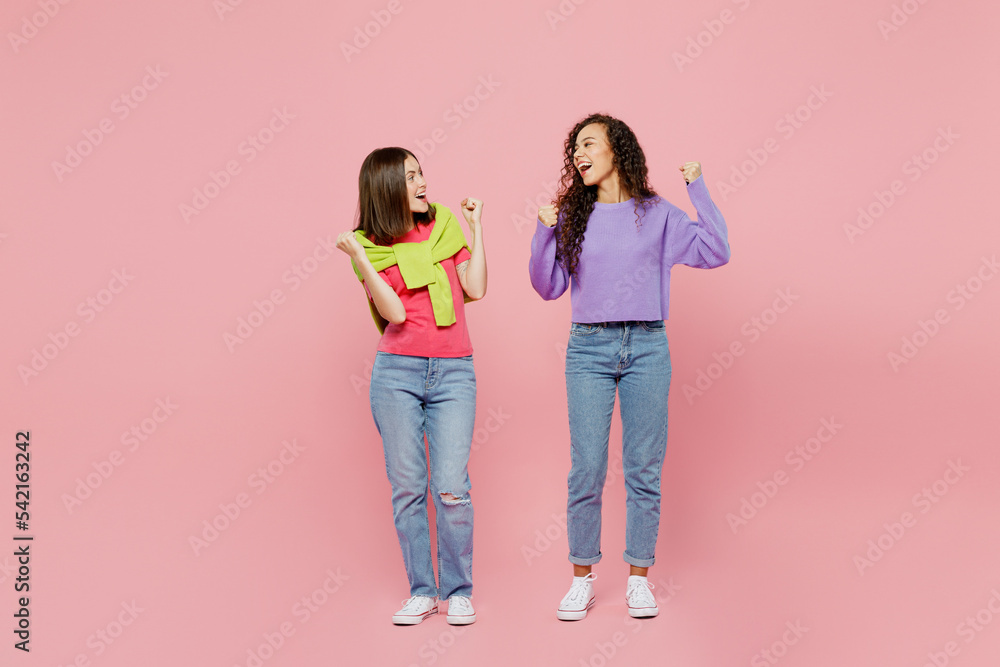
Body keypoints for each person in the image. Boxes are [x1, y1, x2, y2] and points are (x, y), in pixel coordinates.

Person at [528, 113, 730, 620]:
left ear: (617, 150)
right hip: (589, 349)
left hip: (646, 346)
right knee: (588, 469)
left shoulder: (657, 213)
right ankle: (582, 578)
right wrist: (542, 231)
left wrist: (697, 186)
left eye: (589, 143)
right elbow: (547, 286)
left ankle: (640, 577)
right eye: (574, 146)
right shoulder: (572, 215)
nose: (578, 152)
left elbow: (717, 250)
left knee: (643, 469)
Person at [336, 147, 487, 625]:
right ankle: (422, 591)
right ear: (385, 189)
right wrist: (360, 257)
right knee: (407, 488)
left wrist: (477, 227)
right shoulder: (369, 246)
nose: (422, 182)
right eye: (409, 177)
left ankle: (458, 591)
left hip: (454, 372)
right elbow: (395, 315)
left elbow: (476, 288)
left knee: (450, 486)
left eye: (421, 172)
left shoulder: (444, 227)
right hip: (396, 375)